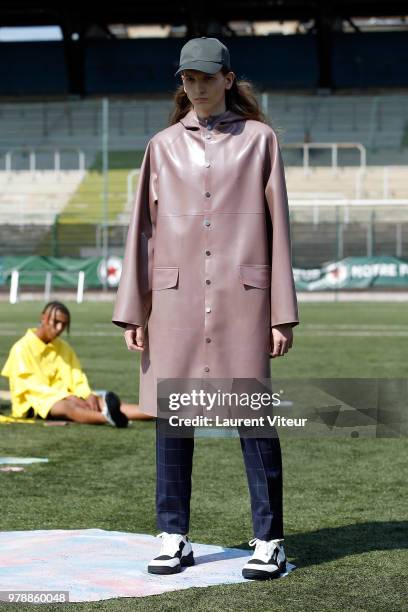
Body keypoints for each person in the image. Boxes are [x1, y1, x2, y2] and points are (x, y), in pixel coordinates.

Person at [112, 37, 299, 578]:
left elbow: (278, 229)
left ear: (227, 79)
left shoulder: (260, 141)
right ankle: (173, 536)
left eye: (205, 77)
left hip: (244, 299)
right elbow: (141, 232)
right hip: (174, 303)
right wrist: (134, 310)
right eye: (187, 78)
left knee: (253, 420)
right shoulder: (161, 146)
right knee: (173, 422)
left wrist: (280, 313)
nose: (195, 86)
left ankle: (269, 541)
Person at [1, 301, 153, 427]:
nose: (60, 328)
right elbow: (32, 387)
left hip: (66, 396)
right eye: (56, 322)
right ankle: (109, 418)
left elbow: (76, 377)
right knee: (66, 407)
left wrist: (87, 395)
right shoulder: (21, 348)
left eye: (64, 324)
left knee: (98, 400)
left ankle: (159, 411)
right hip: (33, 403)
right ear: (44, 318)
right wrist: (68, 396)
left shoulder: (64, 347)